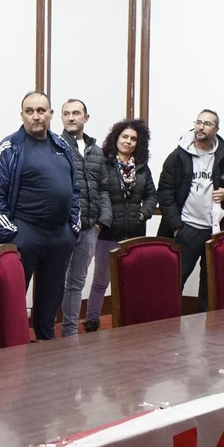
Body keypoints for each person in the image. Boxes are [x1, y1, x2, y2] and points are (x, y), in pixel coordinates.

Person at [0, 91, 80, 341]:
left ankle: (47, 351)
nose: (36, 116)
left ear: (51, 114)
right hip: (24, 235)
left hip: (59, 238)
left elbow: (75, 189)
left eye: (41, 110)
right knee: (12, 304)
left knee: (50, 302)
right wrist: (13, 235)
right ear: (22, 114)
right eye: (30, 111)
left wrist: (73, 228)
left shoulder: (62, 146)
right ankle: (10, 357)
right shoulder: (10, 147)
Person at [157, 109, 224, 302]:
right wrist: (176, 227)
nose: (201, 127)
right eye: (198, 122)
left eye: (207, 124)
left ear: (216, 129)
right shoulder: (177, 156)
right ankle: (166, 327)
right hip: (187, 228)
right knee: (174, 280)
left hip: (216, 230)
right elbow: (165, 193)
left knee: (211, 285)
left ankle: (206, 329)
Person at [86, 120, 155, 332]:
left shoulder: (142, 168)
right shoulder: (104, 165)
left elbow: (152, 195)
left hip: (134, 234)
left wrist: (144, 213)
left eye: (134, 138)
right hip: (108, 232)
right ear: (116, 138)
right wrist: (103, 219)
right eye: (125, 137)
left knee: (133, 281)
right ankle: (92, 319)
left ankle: (131, 319)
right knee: (101, 280)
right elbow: (96, 193)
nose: (129, 141)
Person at [58, 99, 111, 336]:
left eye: (76, 113)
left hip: (90, 228)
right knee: (55, 281)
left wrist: (102, 223)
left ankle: (70, 331)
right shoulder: (56, 146)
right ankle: (49, 330)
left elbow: (104, 188)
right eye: (66, 114)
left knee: (76, 282)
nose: (71, 117)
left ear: (86, 118)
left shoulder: (96, 151)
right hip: (63, 228)